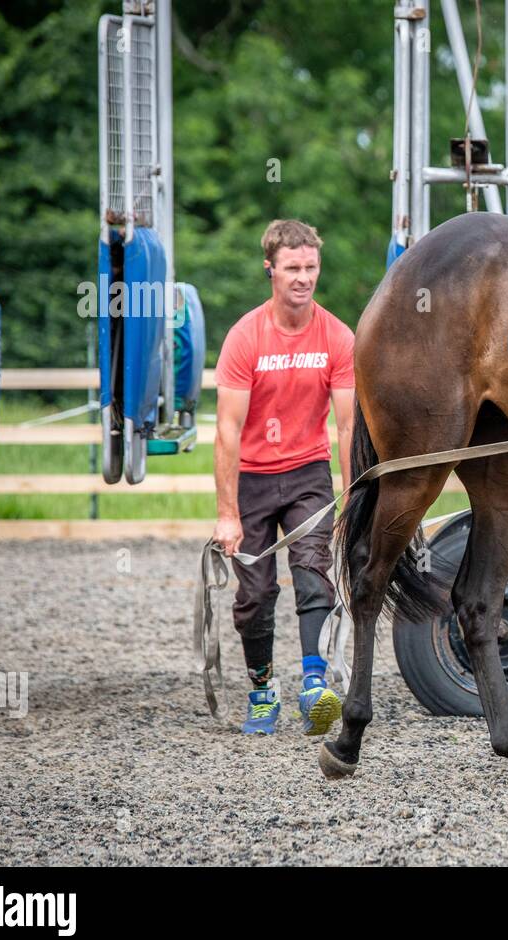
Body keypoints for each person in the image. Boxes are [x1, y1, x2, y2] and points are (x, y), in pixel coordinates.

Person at [212, 219, 354, 736]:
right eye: (293, 268)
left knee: (315, 571)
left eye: (311, 267)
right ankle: (262, 689)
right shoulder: (245, 337)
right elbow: (226, 430)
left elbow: (347, 426)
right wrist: (227, 514)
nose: (303, 278)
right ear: (270, 269)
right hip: (251, 479)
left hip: (308, 475)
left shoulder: (337, 336)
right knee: (254, 597)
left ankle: (315, 683)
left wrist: (353, 497)